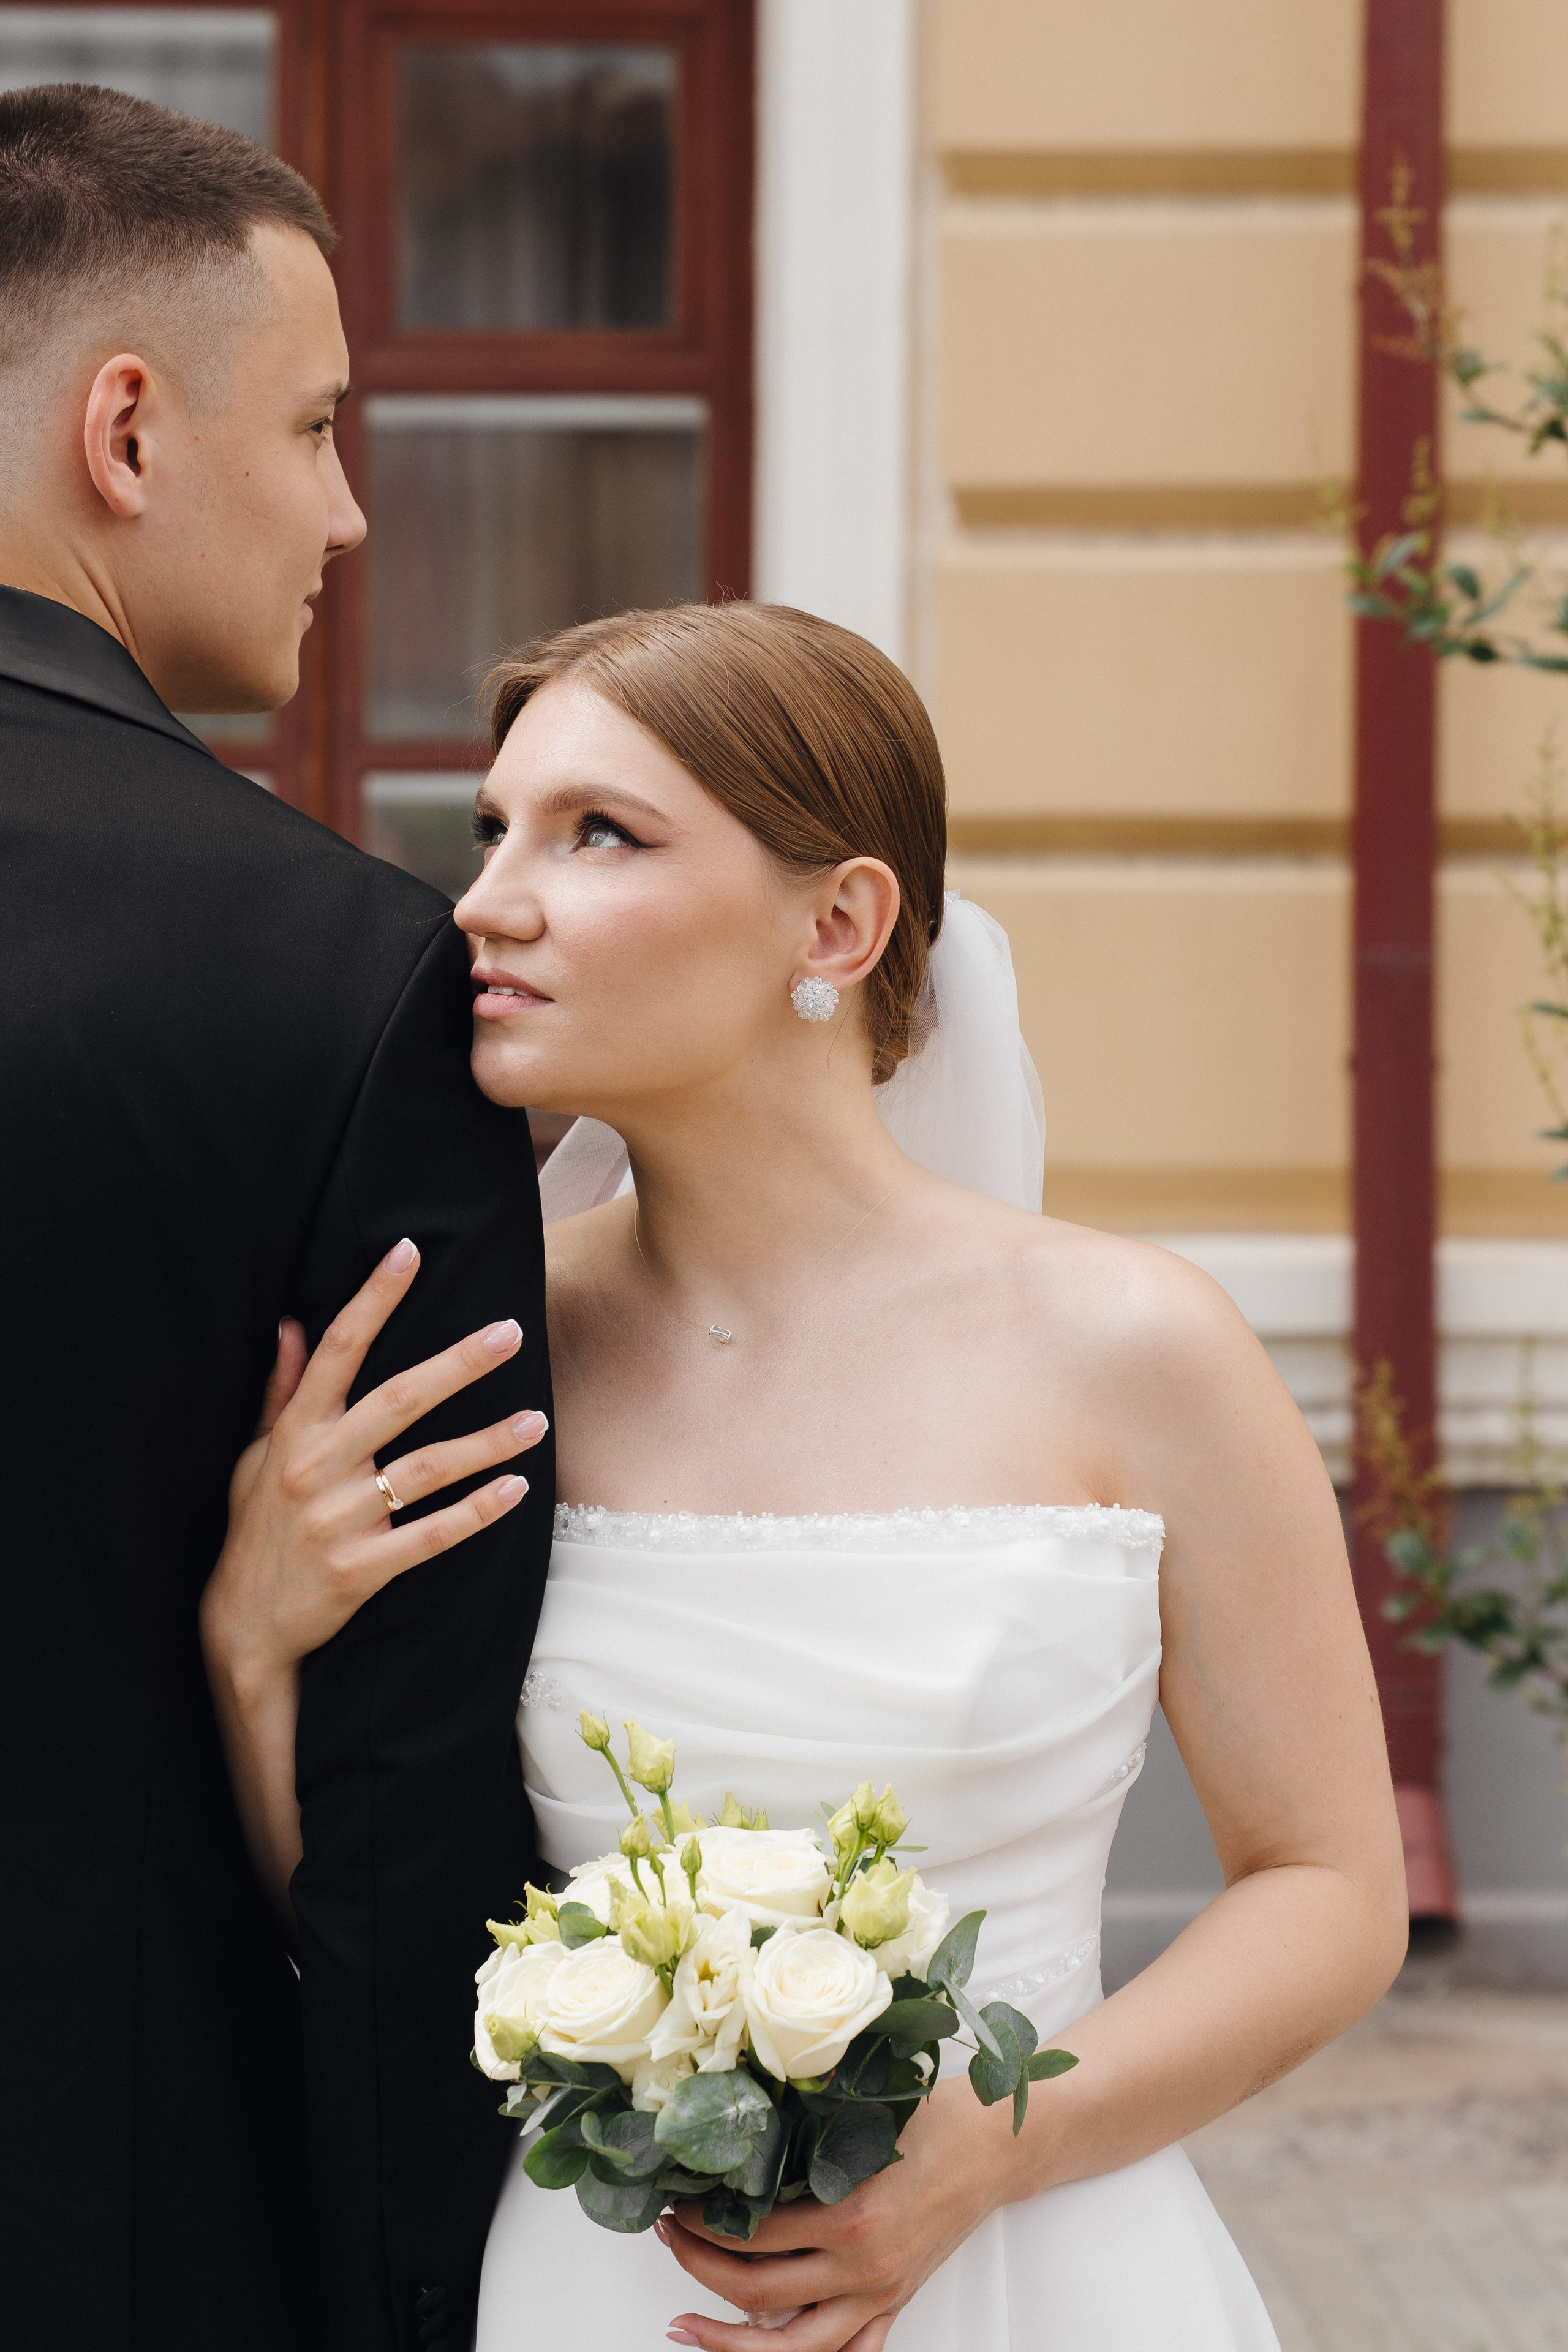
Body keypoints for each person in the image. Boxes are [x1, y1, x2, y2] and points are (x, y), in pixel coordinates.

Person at [206, 599, 1409, 2348]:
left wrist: (1001, 2142)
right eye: (493, 831)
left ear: (838, 921)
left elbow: (1331, 1888)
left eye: (597, 833)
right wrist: (251, 1641)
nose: (484, 902)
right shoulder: (480, 1361)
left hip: (1041, 2266)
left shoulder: (1139, 1349)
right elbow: (379, 1930)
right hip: (606, 2284)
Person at [0, 84, 551, 2352]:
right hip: (108, 2189)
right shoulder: (343, 974)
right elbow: (414, 1800)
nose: (344, 511)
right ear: (125, 427)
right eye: (320, 426)